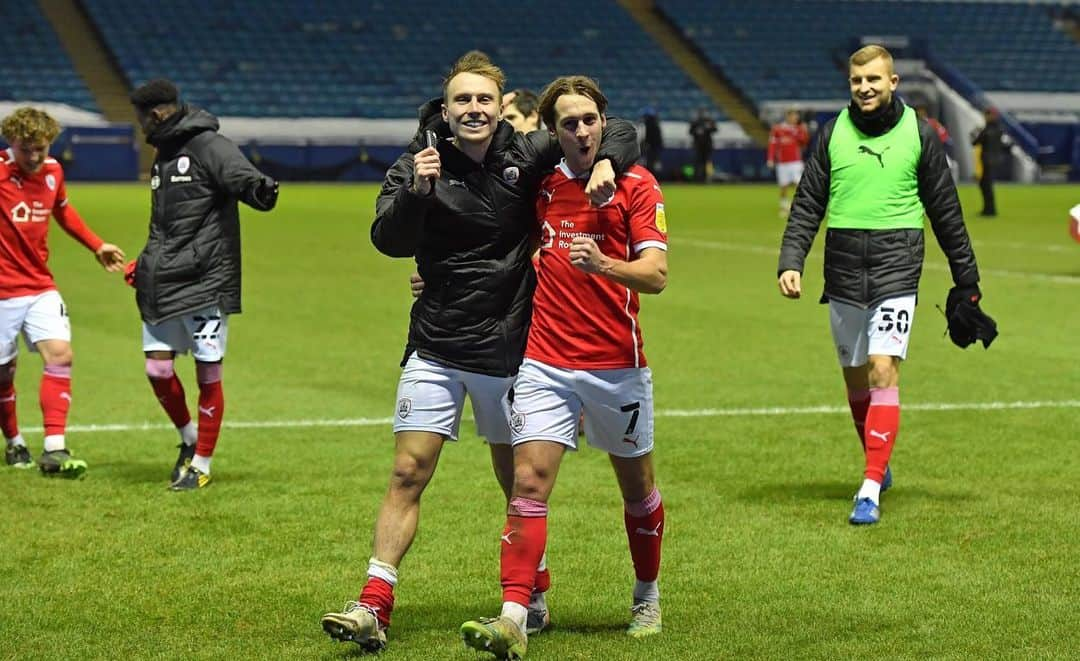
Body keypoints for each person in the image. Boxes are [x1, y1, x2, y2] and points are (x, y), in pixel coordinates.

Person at [320, 52, 640, 653]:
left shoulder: (527, 152)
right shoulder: (415, 164)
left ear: (500, 107)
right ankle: (373, 604)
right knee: (407, 472)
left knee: (515, 485)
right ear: (446, 110)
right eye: (462, 100)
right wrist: (419, 190)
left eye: (484, 100)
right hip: (436, 344)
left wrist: (611, 164)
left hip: (509, 349)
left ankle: (532, 594)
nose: (474, 109)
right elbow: (387, 239)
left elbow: (610, 128)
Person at [460, 75, 668, 659]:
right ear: (553, 133)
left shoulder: (636, 184)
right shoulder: (542, 186)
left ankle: (646, 593)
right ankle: (515, 614)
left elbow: (655, 275)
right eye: (569, 123)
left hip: (616, 367)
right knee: (527, 483)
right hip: (545, 361)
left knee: (638, 488)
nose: (581, 130)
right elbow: (491, 241)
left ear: (605, 122)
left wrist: (603, 264)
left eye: (589, 120)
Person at [777, 45, 987, 525]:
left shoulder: (919, 132)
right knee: (855, 378)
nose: (865, 87)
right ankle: (879, 459)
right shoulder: (833, 133)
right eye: (857, 81)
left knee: (881, 369)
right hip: (844, 270)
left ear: (893, 82)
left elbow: (945, 209)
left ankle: (870, 485)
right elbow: (809, 201)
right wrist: (792, 259)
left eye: (874, 79)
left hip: (898, 267)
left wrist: (966, 279)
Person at [126, 79, 279, 491]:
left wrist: (260, 188)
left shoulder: (207, 144)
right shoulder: (164, 155)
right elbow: (165, 225)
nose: (140, 128)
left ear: (157, 115)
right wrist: (145, 263)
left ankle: (203, 464)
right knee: (157, 369)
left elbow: (247, 180)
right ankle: (190, 439)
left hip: (205, 281)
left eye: (142, 119)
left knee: (207, 374)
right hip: (164, 278)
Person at [0, 107, 126, 476]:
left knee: (60, 354)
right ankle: (15, 441)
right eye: (27, 150)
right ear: (11, 143)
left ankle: (54, 449)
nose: (36, 157)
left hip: (40, 285)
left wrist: (96, 245)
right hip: (2, 292)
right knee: (3, 375)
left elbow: (64, 212)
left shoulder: (53, 172)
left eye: (41, 148)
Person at [767, 108, 810, 218]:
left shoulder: (799, 128)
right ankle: (784, 207)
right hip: (782, 163)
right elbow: (772, 145)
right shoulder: (778, 129)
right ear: (788, 117)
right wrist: (770, 159)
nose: (795, 118)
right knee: (783, 186)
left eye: (796, 116)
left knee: (799, 185)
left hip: (796, 162)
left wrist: (803, 132)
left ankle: (801, 208)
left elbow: (805, 142)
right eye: (793, 116)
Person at [971, 107, 1008, 217]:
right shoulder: (999, 129)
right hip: (994, 159)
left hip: (987, 160)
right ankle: (989, 209)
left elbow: (975, 142)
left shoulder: (987, 130)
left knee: (985, 185)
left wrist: (974, 133)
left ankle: (989, 210)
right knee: (987, 185)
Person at [688, 106, 717, 182]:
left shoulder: (709, 121)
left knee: (706, 162)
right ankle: (697, 177)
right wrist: (696, 131)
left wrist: (709, 128)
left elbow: (715, 129)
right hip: (698, 145)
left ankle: (705, 177)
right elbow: (690, 131)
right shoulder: (696, 122)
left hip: (707, 145)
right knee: (697, 161)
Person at [640, 106, 663, 176]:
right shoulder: (656, 124)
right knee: (654, 163)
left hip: (651, 147)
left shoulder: (649, 124)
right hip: (655, 147)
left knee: (650, 163)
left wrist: (646, 144)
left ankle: (650, 176)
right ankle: (654, 176)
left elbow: (648, 137)